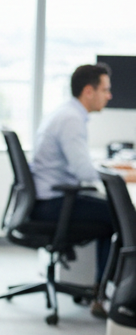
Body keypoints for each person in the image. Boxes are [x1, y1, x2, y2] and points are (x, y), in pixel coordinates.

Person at [29, 62, 116, 310]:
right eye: (105, 90)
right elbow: (84, 172)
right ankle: (105, 294)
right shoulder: (71, 119)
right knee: (121, 215)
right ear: (89, 91)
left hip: (46, 198)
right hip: (53, 203)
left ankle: (102, 289)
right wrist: (121, 176)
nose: (109, 96)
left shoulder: (67, 113)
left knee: (111, 216)